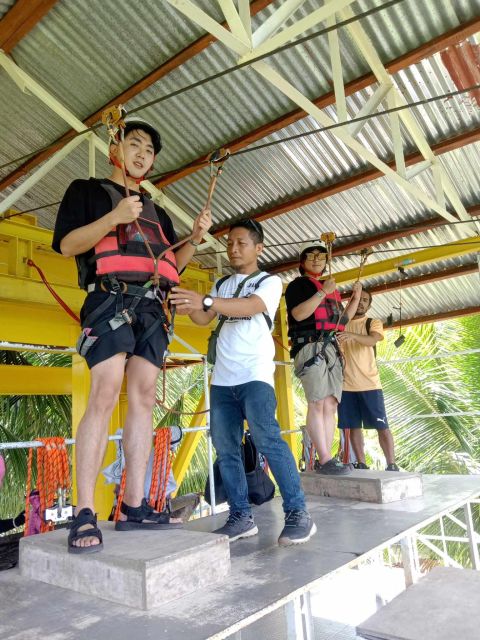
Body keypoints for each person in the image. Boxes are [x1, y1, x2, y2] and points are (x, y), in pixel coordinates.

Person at [52, 116, 212, 553]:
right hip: (110, 300)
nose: (142, 154)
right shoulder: (86, 190)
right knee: (104, 393)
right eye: (134, 144)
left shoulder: (157, 210)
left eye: (149, 150)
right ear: (115, 149)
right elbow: (67, 245)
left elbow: (170, 267)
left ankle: (134, 507)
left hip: (152, 308)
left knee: (142, 399)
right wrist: (114, 217)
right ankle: (84, 511)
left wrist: (194, 240)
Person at [169, 219, 316, 546]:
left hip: (255, 376)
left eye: (241, 244)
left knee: (268, 440)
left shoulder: (270, 282)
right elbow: (204, 317)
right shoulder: (222, 284)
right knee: (226, 449)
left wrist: (205, 301)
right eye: (230, 244)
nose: (233, 249)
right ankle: (240, 516)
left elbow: (251, 307)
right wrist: (188, 304)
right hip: (222, 379)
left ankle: (298, 513)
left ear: (258, 248)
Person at [285, 241, 362, 475]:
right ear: (302, 263)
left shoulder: (330, 289)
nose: (317, 260)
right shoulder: (298, 286)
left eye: (321, 257)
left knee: (330, 403)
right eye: (311, 257)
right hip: (309, 346)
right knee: (317, 401)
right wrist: (322, 292)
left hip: (330, 346)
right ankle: (325, 458)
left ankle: (327, 458)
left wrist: (355, 297)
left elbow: (341, 321)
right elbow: (299, 314)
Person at [336, 289, 399, 471]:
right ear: (352, 302)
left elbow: (373, 340)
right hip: (346, 385)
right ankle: (361, 463)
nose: (361, 303)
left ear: (369, 305)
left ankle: (392, 464)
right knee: (353, 427)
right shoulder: (341, 324)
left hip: (370, 384)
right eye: (358, 299)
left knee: (382, 426)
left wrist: (352, 336)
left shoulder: (373, 322)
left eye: (365, 300)